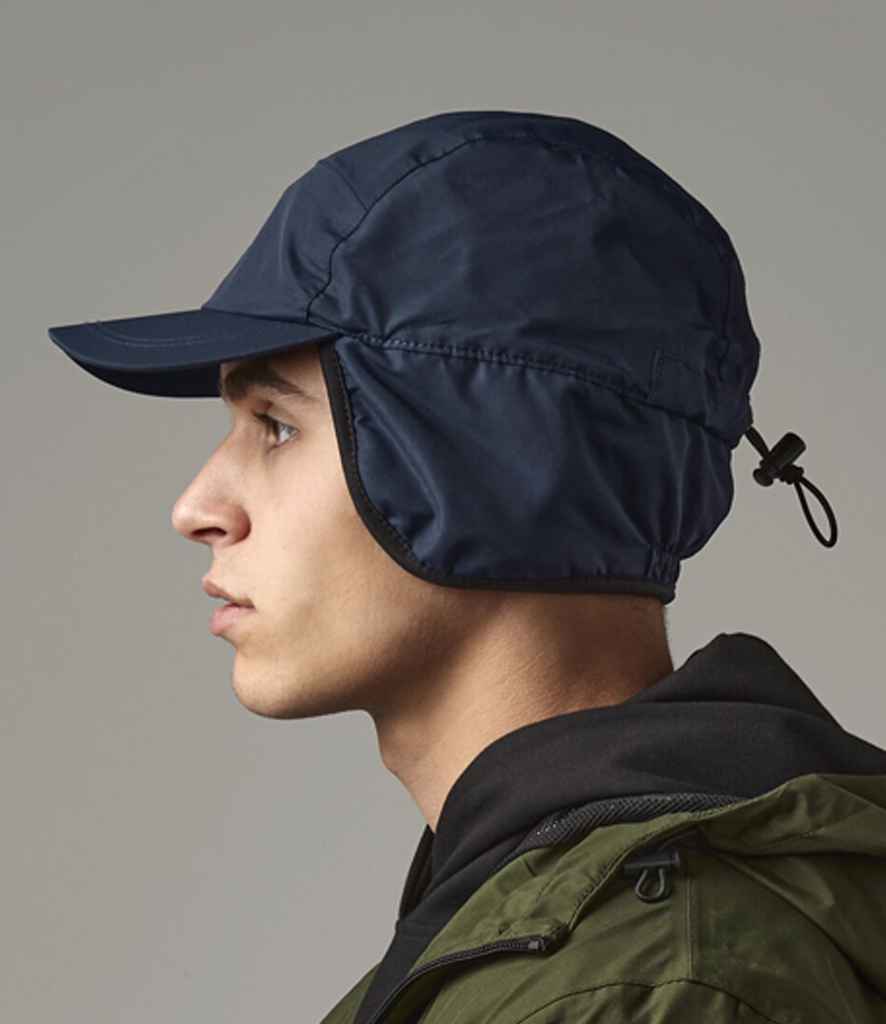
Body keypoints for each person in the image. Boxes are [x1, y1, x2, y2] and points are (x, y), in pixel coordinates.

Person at [48, 110, 886, 1024]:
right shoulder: (534, 930)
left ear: (499, 468)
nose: (197, 508)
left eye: (277, 427)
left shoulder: (636, 993)